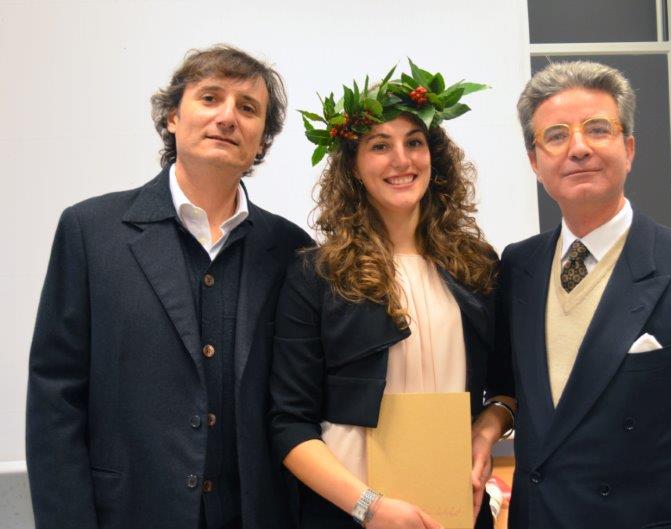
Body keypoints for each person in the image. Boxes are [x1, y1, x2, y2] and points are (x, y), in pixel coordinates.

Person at [26, 45, 312, 529]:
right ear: (173, 117)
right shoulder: (91, 232)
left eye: (248, 108)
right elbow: (56, 399)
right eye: (210, 98)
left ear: (262, 140)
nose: (227, 117)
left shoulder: (292, 250)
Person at [490, 60, 671, 529]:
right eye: (556, 136)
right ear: (535, 162)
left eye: (598, 129)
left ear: (629, 148)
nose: (578, 148)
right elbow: (511, 389)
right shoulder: (519, 266)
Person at [269, 61, 516, 529]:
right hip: (349, 513)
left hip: (456, 509)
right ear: (354, 166)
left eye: (414, 142)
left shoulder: (476, 264)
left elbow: (507, 390)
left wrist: (485, 432)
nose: (402, 160)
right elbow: (288, 423)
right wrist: (370, 507)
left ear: (433, 158)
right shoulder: (317, 275)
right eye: (380, 145)